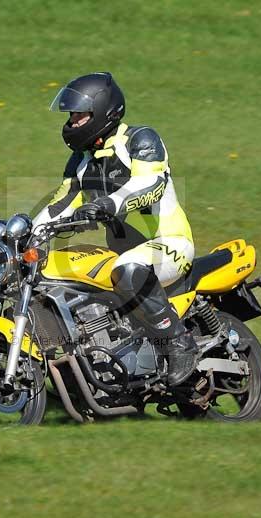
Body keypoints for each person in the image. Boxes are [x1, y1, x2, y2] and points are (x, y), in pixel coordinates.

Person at [33, 72, 199, 386]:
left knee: (128, 269)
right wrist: (25, 232)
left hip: (170, 243)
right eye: (71, 116)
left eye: (80, 116)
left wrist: (109, 204)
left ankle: (180, 344)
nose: (72, 123)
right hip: (124, 251)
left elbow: (149, 184)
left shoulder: (141, 140)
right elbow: (61, 203)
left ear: (103, 112)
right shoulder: (82, 161)